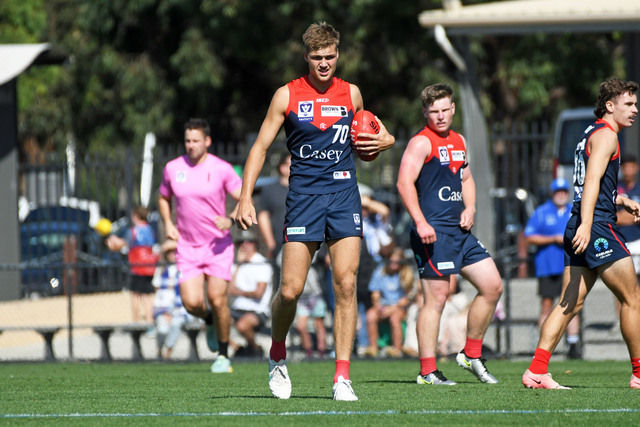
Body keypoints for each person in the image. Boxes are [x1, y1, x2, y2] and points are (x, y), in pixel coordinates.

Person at [234, 22, 395, 401]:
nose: (324, 63)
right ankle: (277, 353)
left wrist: (385, 142)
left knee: (346, 284)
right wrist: (245, 198)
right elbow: (260, 148)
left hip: (343, 194)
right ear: (306, 56)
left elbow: (374, 135)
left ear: (338, 55)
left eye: (330, 57)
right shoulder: (286, 95)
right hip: (304, 198)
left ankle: (342, 377)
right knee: (290, 290)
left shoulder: (351, 93)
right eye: (317, 57)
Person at [522, 79, 640, 390]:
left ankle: (536, 370)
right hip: (596, 226)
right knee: (632, 298)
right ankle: (639, 374)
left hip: (580, 222)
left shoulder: (590, 133)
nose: (635, 109)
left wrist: (620, 199)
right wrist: (589, 225)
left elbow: (591, 184)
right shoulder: (607, 136)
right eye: (629, 104)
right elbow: (590, 184)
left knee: (569, 303)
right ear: (610, 106)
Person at [396, 83, 503, 386]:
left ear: (453, 109)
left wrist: (470, 207)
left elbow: (465, 178)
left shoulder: (459, 140)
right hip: (432, 233)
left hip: (460, 231)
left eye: (445, 109)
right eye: (434, 111)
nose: (440, 116)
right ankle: (428, 372)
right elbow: (403, 183)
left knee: (492, 286)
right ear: (425, 113)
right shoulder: (421, 143)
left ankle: (470, 354)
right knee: (436, 299)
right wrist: (420, 222)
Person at [158, 118, 242, 374]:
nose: (191, 145)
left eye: (195, 140)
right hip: (188, 247)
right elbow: (163, 198)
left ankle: (223, 356)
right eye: (187, 140)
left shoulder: (222, 169)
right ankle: (209, 321)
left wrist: (230, 220)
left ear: (207, 141)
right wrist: (168, 222)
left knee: (217, 299)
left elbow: (244, 199)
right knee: (191, 303)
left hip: (218, 246)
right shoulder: (173, 168)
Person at [524, 178, 582, 359]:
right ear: (552, 194)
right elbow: (529, 236)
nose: (561, 195)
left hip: (570, 266)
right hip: (548, 266)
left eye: (564, 192)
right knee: (547, 305)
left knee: (571, 304)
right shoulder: (542, 212)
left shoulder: (574, 211)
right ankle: (543, 345)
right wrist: (553, 239)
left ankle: (573, 344)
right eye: (558, 192)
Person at [106, 205, 157, 328]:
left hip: (137, 267)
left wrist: (113, 240)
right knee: (147, 296)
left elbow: (122, 244)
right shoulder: (150, 229)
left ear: (136, 216)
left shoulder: (134, 231)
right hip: (149, 266)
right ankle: (150, 323)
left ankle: (136, 323)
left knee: (135, 295)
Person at [228, 230, 273, 357]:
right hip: (238, 307)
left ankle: (254, 349)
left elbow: (259, 293)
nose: (245, 245)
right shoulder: (236, 264)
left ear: (255, 244)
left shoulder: (262, 263)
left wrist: (239, 292)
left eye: (249, 241)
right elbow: (229, 290)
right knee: (212, 321)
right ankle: (238, 348)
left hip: (258, 309)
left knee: (242, 325)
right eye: (241, 242)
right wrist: (238, 265)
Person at [364, 247, 413, 358]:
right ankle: (373, 348)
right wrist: (378, 307)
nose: (393, 264)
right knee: (370, 315)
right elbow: (375, 294)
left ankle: (397, 349)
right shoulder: (380, 272)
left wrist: (392, 309)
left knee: (394, 319)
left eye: (397, 262)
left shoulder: (406, 274)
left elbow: (406, 299)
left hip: (399, 307)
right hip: (384, 306)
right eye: (392, 261)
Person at [152, 239, 193, 360]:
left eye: (174, 251)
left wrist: (173, 311)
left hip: (181, 309)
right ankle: (159, 350)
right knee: (162, 329)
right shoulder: (161, 270)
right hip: (163, 308)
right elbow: (157, 292)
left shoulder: (184, 269)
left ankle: (167, 353)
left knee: (176, 323)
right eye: (169, 252)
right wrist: (164, 311)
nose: (172, 254)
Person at [256, 153, 291, 261]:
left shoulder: (306, 189)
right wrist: (270, 243)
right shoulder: (270, 190)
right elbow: (263, 216)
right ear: (282, 167)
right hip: (280, 244)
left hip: (306, 239)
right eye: (292, 164)